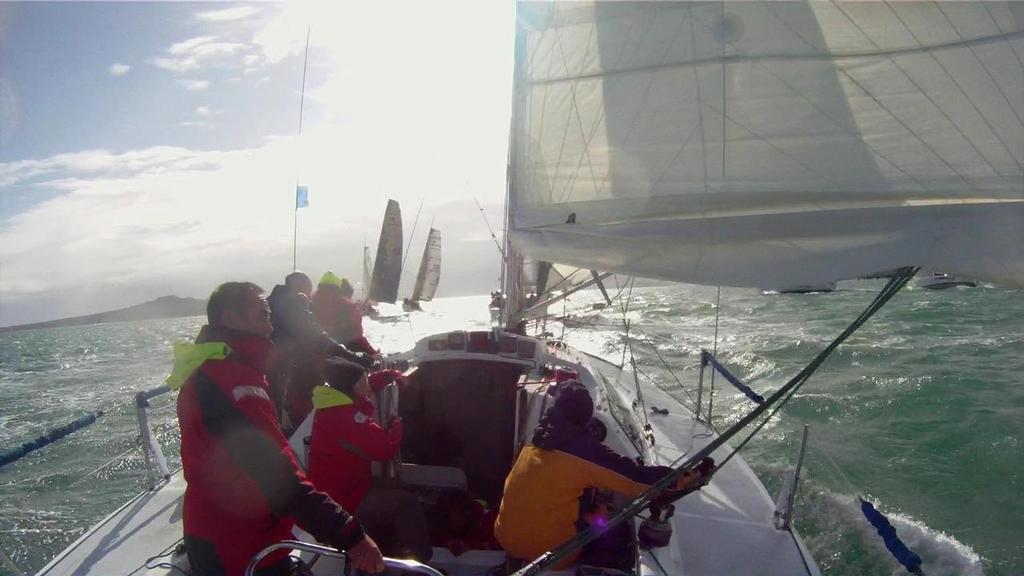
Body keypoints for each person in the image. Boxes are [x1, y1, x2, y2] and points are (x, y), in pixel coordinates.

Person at [169, 281, 385, 576]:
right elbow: (276, 477)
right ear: (231, 319)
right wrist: (350, 535)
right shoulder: (230, 383)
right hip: (236, 544)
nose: (270, 326)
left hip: (242, 533)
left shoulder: (230, 369)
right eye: (262, 315)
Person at [494, 381, 712, 569]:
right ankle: (594, 565)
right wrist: (686, 477)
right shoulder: (585, 450)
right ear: (585, 417)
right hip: (553, 553)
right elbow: (636, 479)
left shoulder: (537, 439)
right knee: (612, 527)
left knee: (586, 513)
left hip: (507, 540)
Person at [307, 358, 432, 561]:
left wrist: (389, 375)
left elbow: (364, 383)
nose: (368, 384)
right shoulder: (346, 416)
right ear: (353, 387)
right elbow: (385, 450)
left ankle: (388, 543)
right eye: (363, 381)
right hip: (346, 501)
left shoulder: (334, 400)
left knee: (399, 486)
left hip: (347, 487)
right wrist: (397, 425)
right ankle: (422, 564)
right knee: (407, 503)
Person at [266, 271, 373, 432]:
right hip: (292, 366)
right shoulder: (295, 300)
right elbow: (315, 336)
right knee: (296, 408)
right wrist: (353, 356)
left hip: (272, 365)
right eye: (309, 291)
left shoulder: (271, 301)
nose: (310, 297)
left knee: (278, 407)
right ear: (300, 286)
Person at [312, 271, 378, 357]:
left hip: (313, 350)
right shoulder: (347, 306)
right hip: (340, 352)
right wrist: (373, 353)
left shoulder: (309, 301)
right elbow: (356, 336)